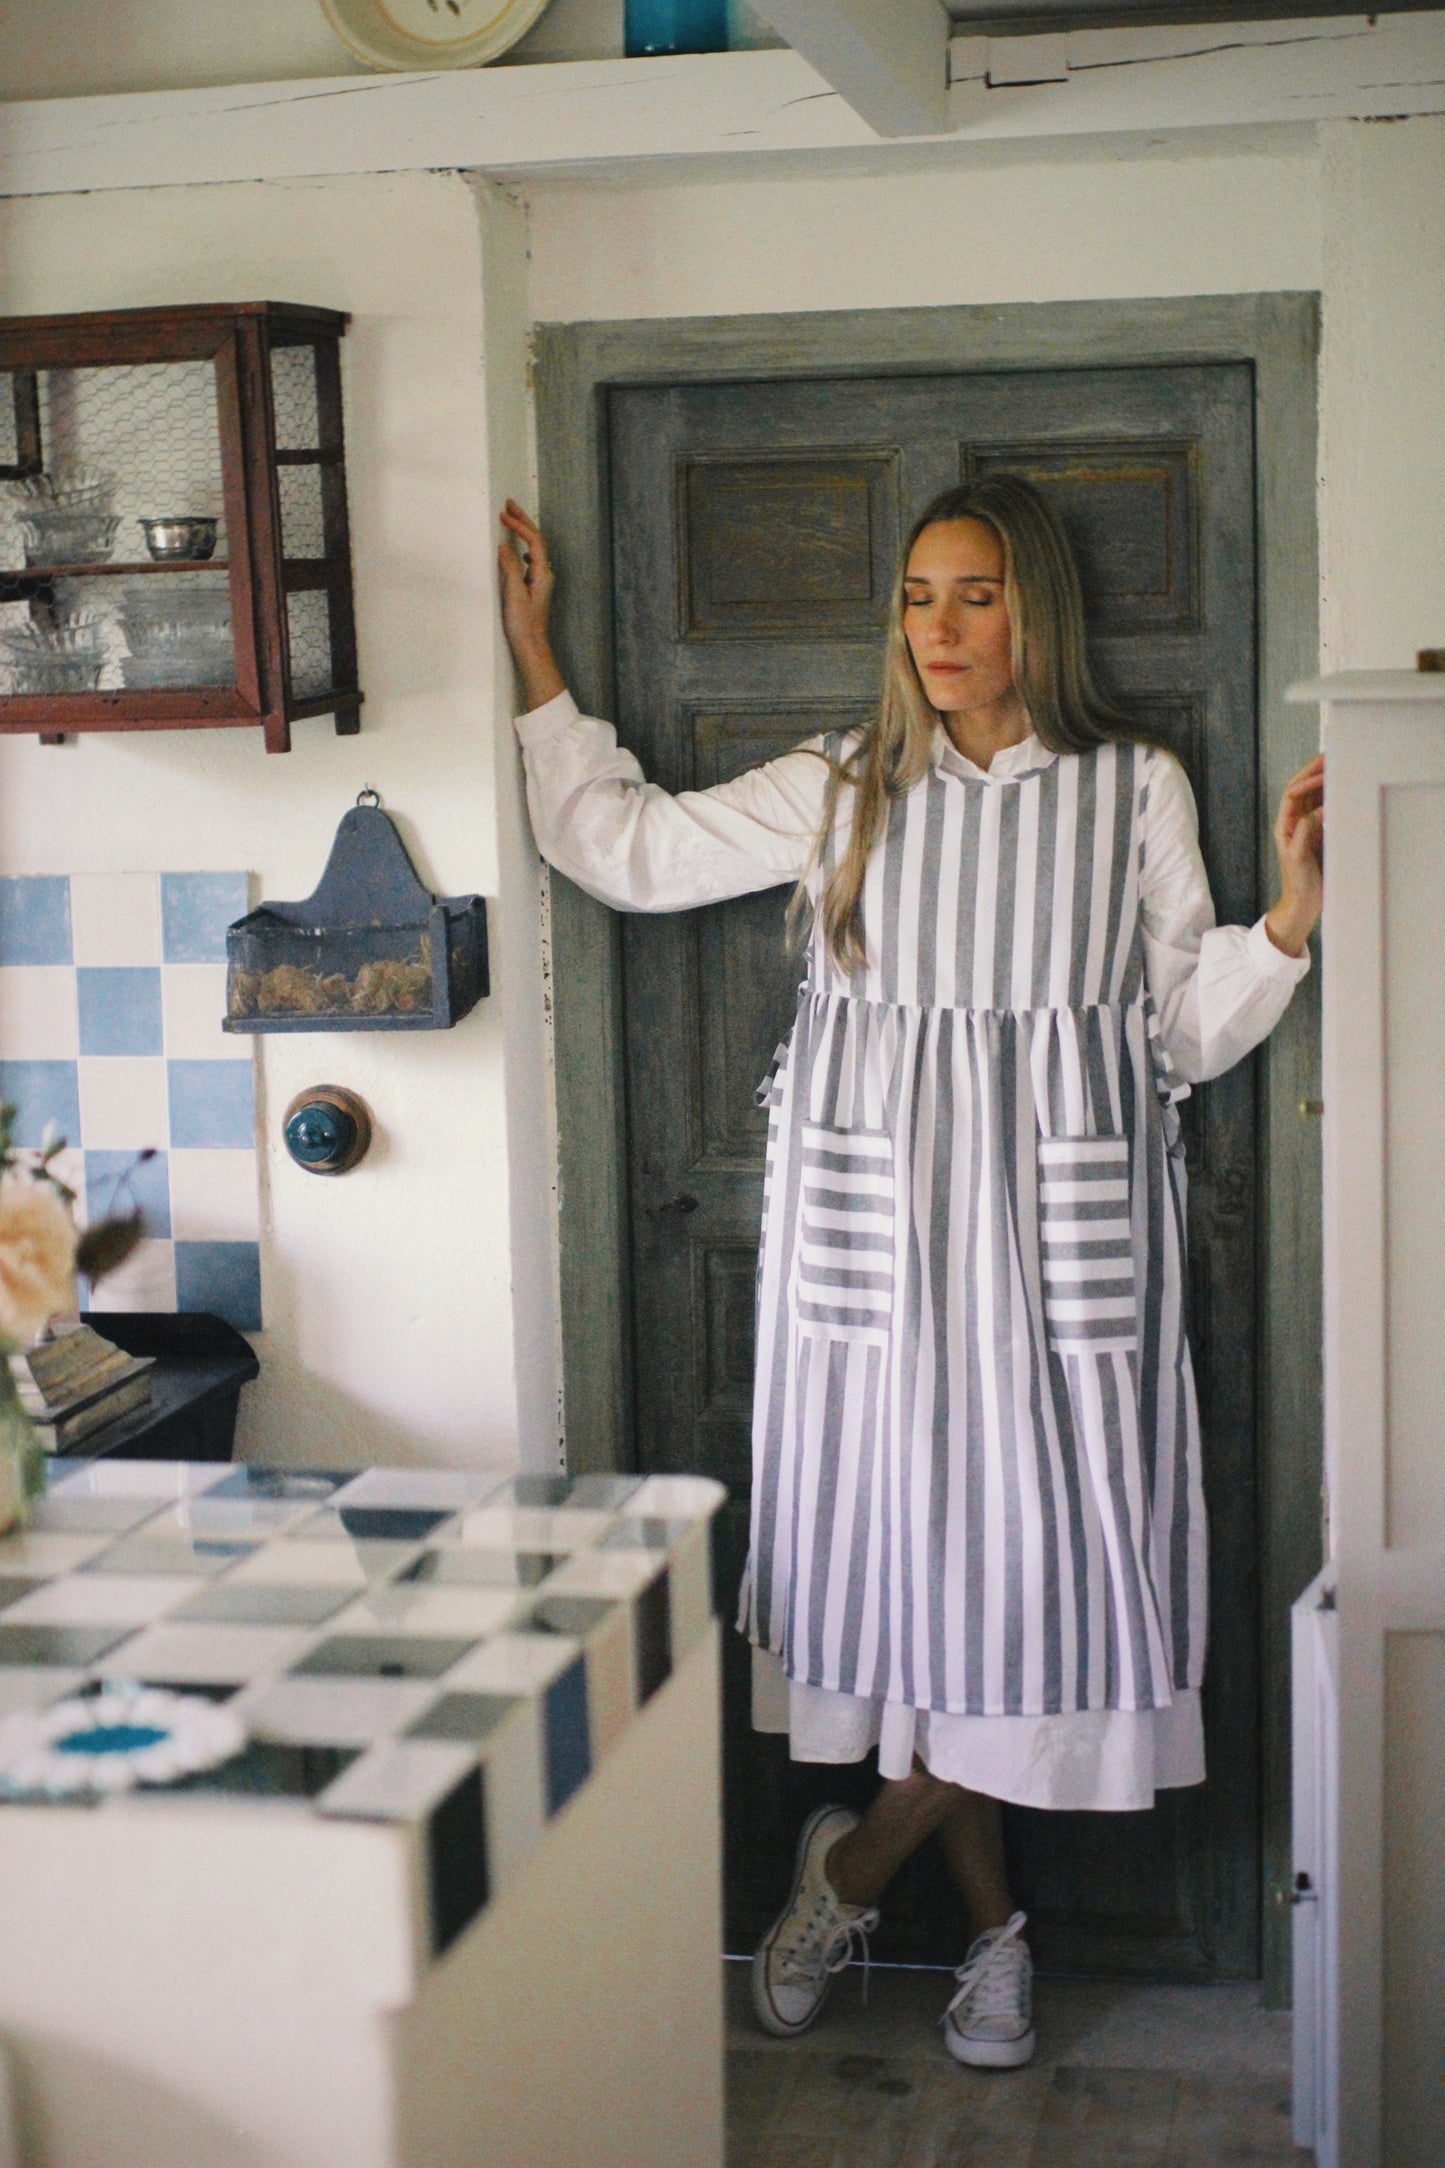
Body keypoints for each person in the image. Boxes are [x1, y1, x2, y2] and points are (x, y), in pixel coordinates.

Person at [498, 478, 1323, 2070]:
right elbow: (626, 851)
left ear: (1037, 615)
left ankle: (854, 1867)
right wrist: (535, 657)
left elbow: (1172, 1033)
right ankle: (996, 1939)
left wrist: (1282, 921)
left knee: (1041, 1598)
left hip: (1062, 1271)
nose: (938, 630)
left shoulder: (1127, 787)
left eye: (976, 596)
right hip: (873, 1266)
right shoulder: (845, 785)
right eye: (918, 597)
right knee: (917, 1591)